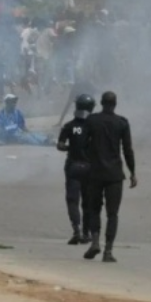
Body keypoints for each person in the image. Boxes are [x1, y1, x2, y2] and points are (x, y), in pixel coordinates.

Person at [83, 92, 137, 263]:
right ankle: (108, 251)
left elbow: (83, 145)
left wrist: (88, 161)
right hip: (114, 174)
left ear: (101, 103)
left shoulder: (91, 120)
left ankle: (95, 242)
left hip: (95, 173)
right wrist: (132, 172)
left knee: (94, 209)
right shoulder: (122, 123)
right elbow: (127, 150)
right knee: (112, 214)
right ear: (115, 104)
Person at [56, 94, 95, 245]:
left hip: (73, 166)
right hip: (90, 167)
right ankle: (87, 233)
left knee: (73, 200)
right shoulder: (94, 126)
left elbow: (60, 145)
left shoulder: (69, 125)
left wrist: (71, 147)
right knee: (88, 201)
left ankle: (76, 230)